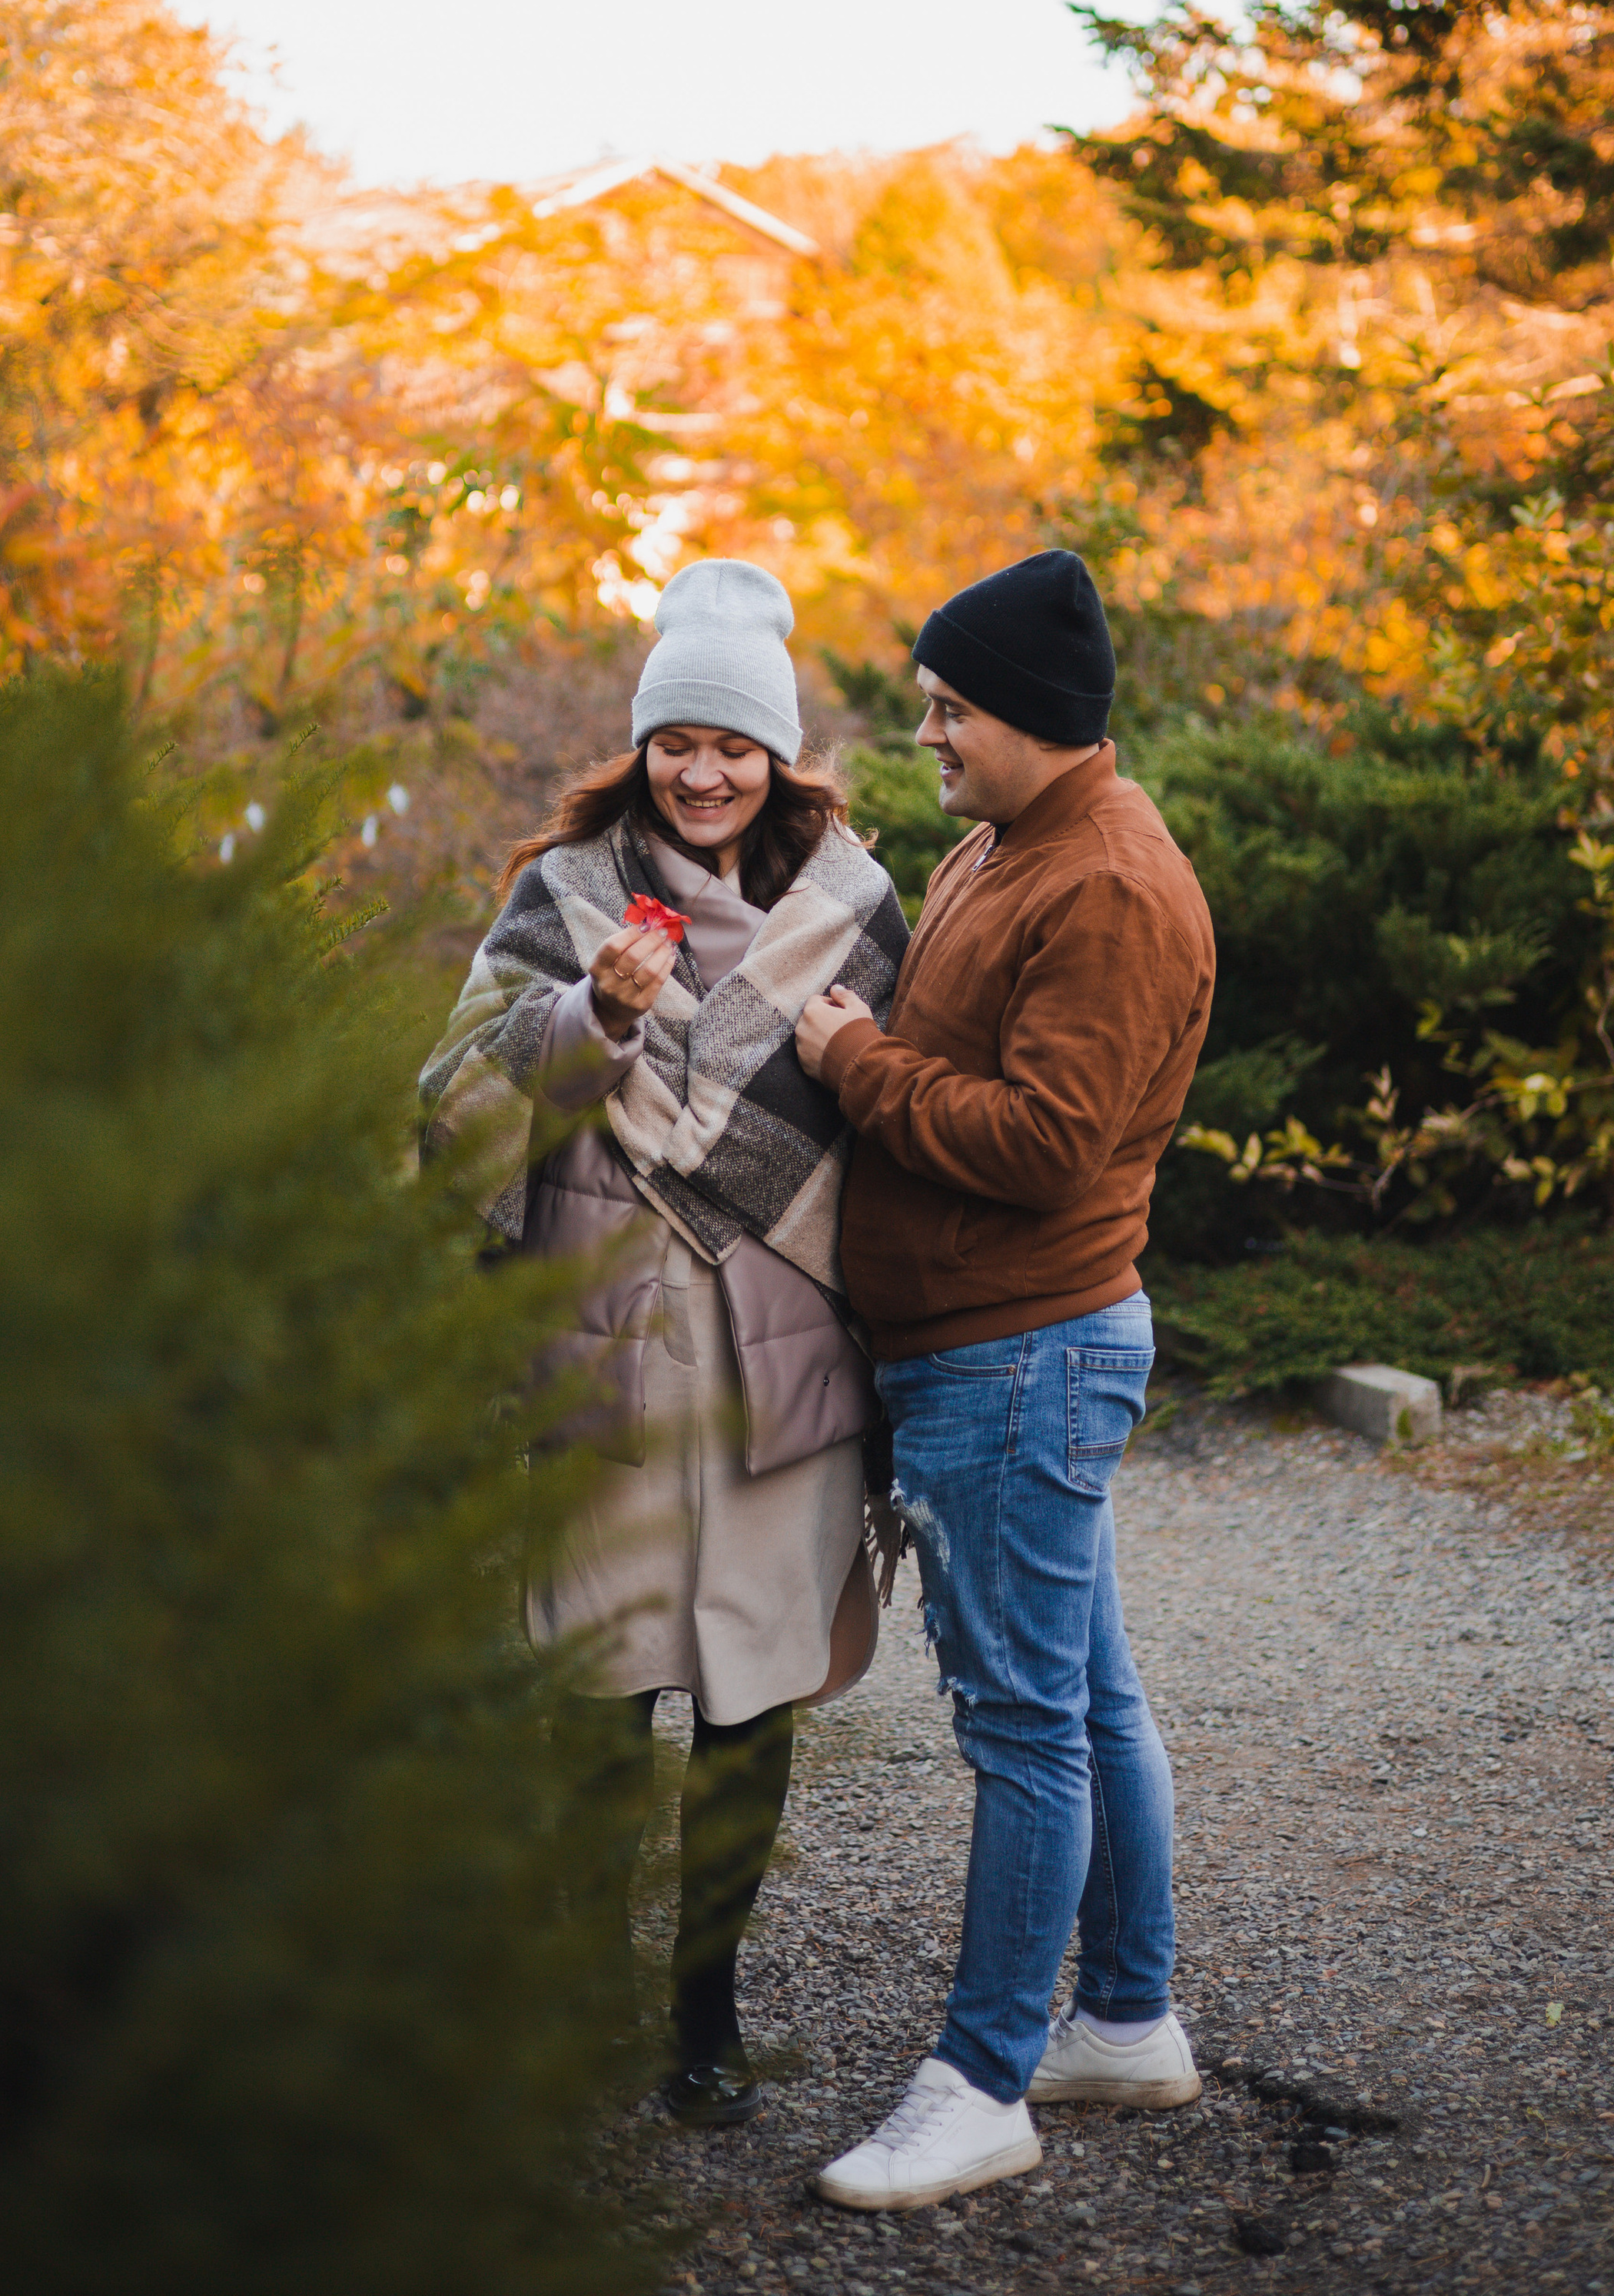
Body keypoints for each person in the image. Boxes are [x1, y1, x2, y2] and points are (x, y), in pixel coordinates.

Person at [420, 558, 910, 2128]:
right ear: (640, 747)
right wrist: (594, 1023)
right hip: (609, 1358)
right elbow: (449, 1112)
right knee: (602, 1690)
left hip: (783, 1368)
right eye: (676, 741)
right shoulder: (562, 895)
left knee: (750, 1700)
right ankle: (587, 1991)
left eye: (734, 745)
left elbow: (894, 1117)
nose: (704, 773)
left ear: (778, 757)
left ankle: (706, 2012)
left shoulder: (849, 911)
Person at [793, 549, 1216, 2211]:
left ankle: (979, 2085)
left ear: (1032, 714)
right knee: (1086, 1699)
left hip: (1017, 1349)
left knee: (1025, 1728)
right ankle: (1124, 2020)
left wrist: (855, 1060)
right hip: (987, 1345)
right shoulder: (1004, 844)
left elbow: (1045, 1144)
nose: (927, 733)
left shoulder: (1105, 887)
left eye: (950, 706)